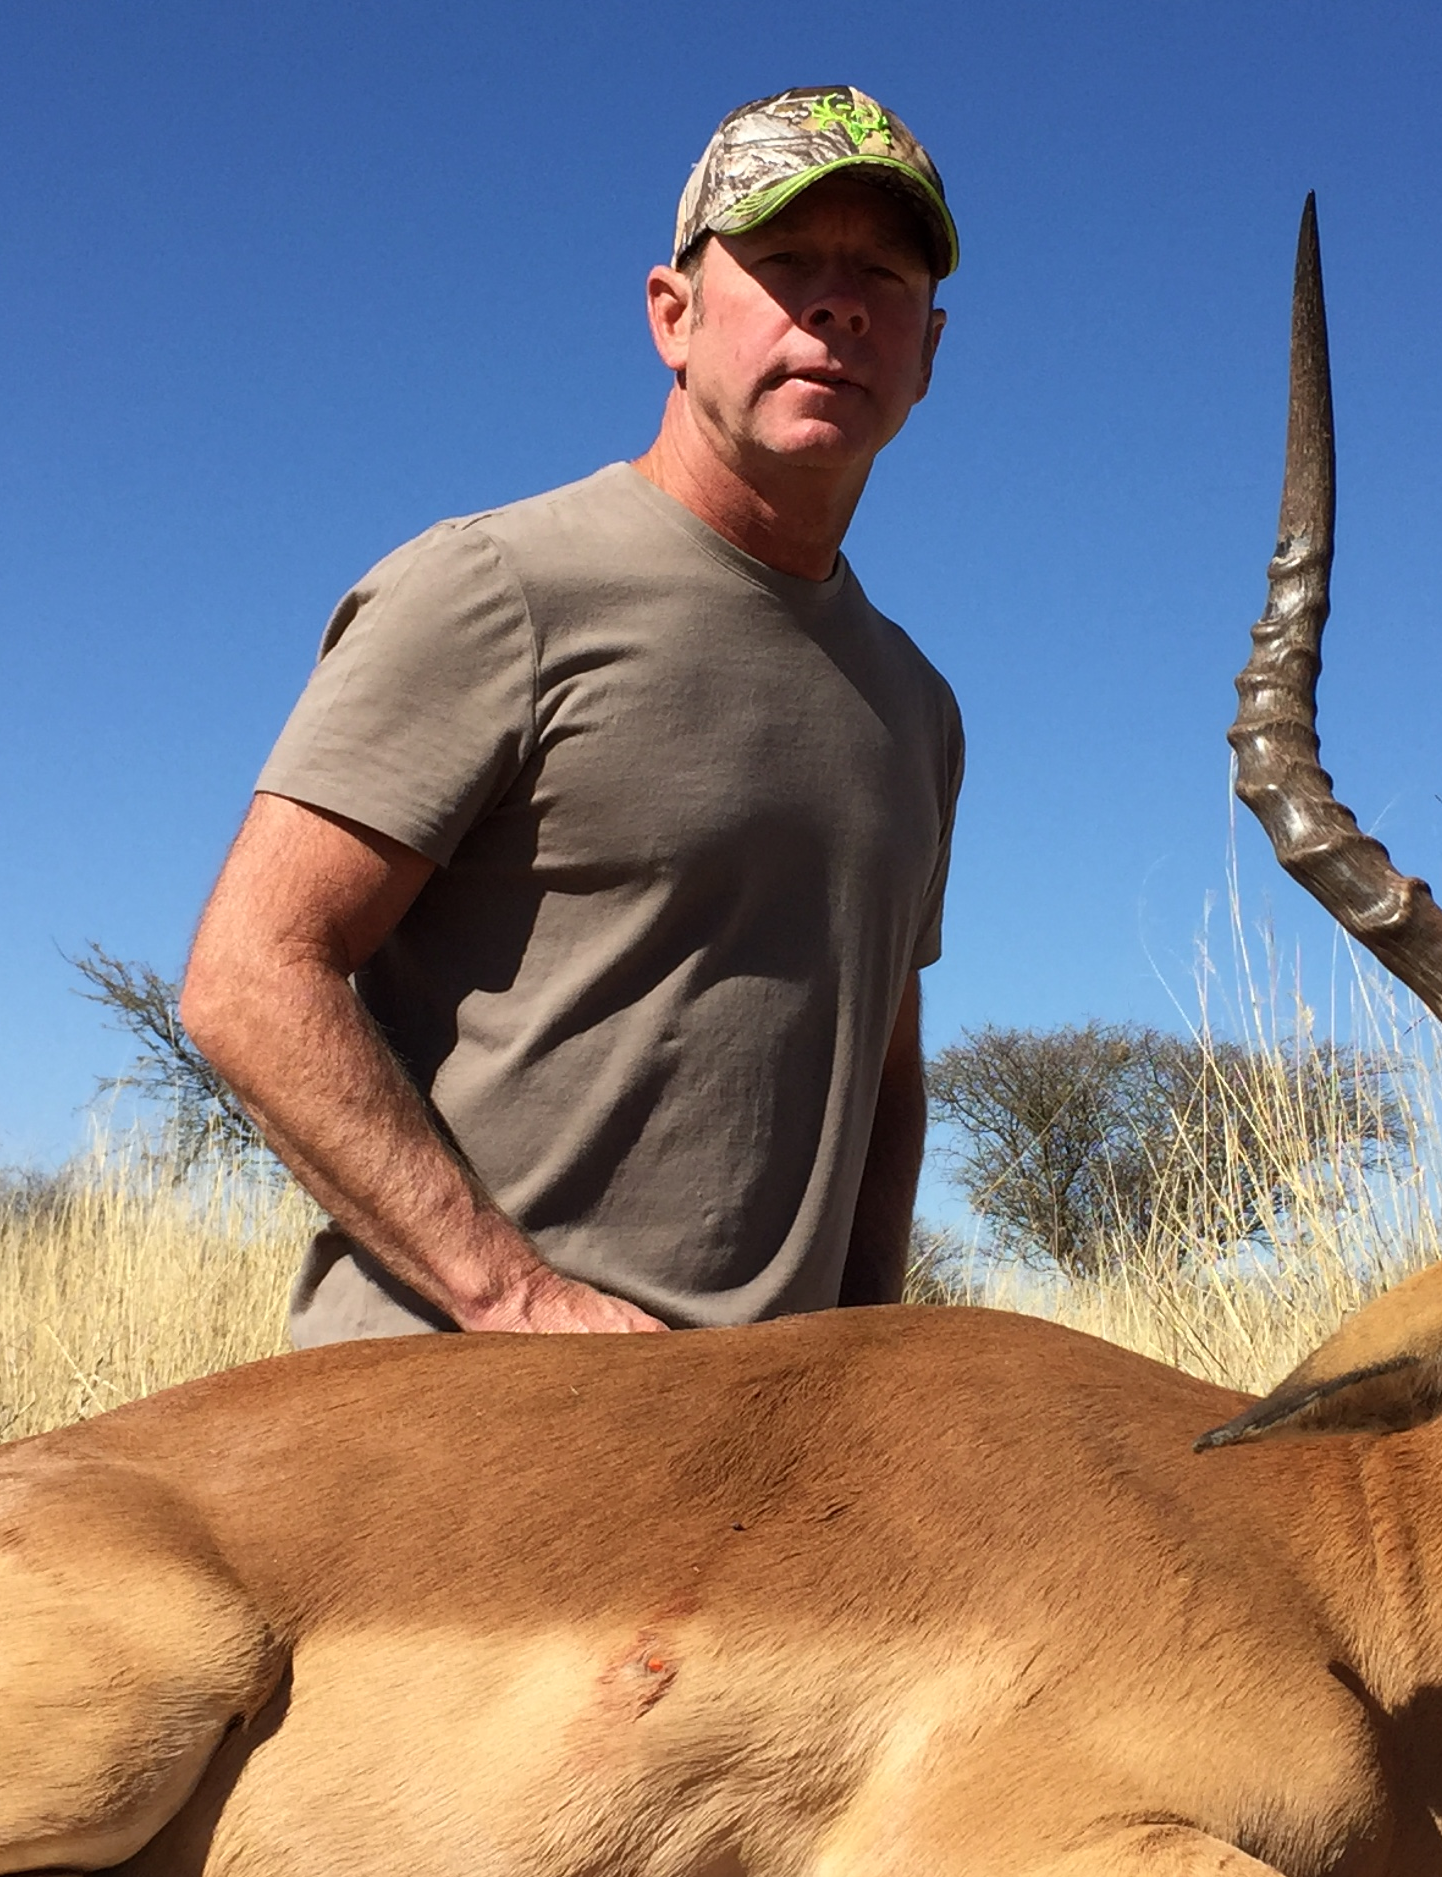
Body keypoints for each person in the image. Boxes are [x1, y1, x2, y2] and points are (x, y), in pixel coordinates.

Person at [180, 86, 965, 1344]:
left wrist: (860, 1357)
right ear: (674, 314)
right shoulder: (495, 587)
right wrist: (515, 1297)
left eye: (881, 269)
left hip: (763, 1450)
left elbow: (883, 1066)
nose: (837, 303)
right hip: (463, 1412)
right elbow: (249, 975)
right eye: (783, 262)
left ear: (927, 351)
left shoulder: (917, 706)